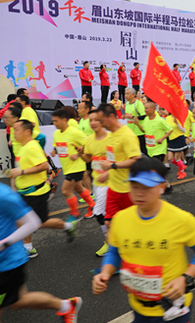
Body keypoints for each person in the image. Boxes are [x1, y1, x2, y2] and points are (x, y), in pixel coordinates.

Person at [92, 157, 195, 323]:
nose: (140, 193)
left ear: (162, 186)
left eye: (147, 187)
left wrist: (186, 278)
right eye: (135, 186)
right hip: (138, 307)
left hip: (173, 310)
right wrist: (105, 273)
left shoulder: (181, 219)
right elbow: (114, 252)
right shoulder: (120, 219)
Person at [0, 184, 82, 322]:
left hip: (7, 262)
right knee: (18, 300)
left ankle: (68, 226)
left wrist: (4, 244)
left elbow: (33, 222)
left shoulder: (3, 195)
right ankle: (66, 306)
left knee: (15, 301)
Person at [9, 119, 77, 258]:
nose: (13, 132)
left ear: (27, 131)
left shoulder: (32, 147)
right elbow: (21, 168)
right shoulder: (23, 146)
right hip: (25, 192)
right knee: (23, 220)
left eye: (16, 129)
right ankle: (27, 247)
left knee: (37, 222)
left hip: (36, 193)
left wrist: (21, 173)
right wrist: (14, 183)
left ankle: (68, 226)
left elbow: (45, 166)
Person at [97, 103, 142, 229]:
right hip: (113, 188)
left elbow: (136, 160)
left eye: (101, 120)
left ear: (111, 116)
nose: (100, 124)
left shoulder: (127, 135)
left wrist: (112, 166)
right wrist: (108, 172)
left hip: (127, 190)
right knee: (109, 223)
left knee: (132, 226)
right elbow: (116, 159)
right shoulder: (111, 134)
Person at [50, 109, 96, 221]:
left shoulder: (75, 132)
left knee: (66, 191)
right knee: (79, 188)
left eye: (56, 121)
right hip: (67, 167)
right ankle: (93, 206)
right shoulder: (56, 133)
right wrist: (54, 151)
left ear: (64, 120)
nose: (54, 123)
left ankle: (74, 213)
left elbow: (89, 144)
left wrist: (78, 153)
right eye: (53, 121)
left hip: (77, 167)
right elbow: (57, 145)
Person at [81, 110, 112, 257]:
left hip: (111, 182)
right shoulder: (90, 139)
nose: (92, 122)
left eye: (96, 120)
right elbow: (88, 159)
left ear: (102, 121)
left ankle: (110, 243)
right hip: (97, 182)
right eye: (90, 120)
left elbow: (118, 161)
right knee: (107, 213)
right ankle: (114, 241)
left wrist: (108, 172)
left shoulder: (111, 138)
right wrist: (81, 153)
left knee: (99, 212)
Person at [124, 88, 147, 155]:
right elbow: (128, 116)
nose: (125, 95)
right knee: (133, 150)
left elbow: (144, 116)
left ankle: (152, 163)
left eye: (127, 93)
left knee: (143, 150)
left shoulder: (138, 104)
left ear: (133, 95)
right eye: (125, 93)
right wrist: (125, 116)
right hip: (130, 132)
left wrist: (132, 117)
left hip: (139, 132)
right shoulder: (127, 104)